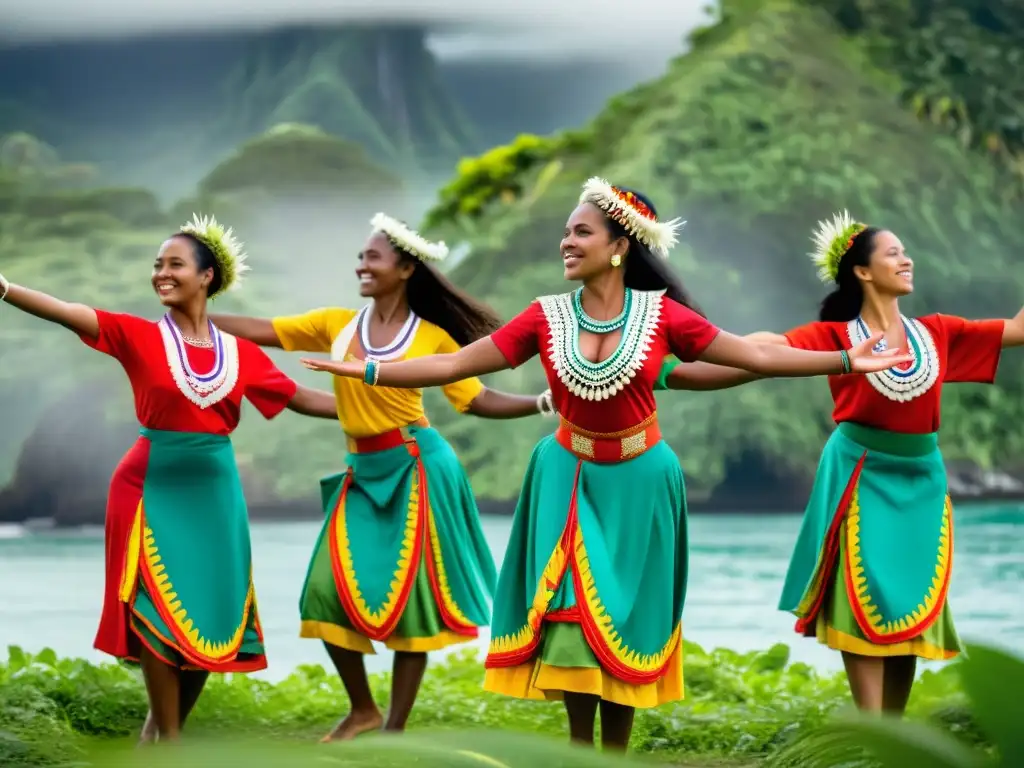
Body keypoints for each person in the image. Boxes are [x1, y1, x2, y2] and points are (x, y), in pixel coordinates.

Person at [296, 181, 909, 749]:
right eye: (566, 231)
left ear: (619, 246)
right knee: (569, 614)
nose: (566, 240)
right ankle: (579, 751)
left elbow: (751, 356)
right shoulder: (545, 315)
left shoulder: (665, 317)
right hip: (566, 471)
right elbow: (459, 365)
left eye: (581, 232)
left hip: (641, 480)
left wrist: (846, 363)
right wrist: (371, 369)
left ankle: (611, 755)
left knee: (624, 619)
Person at [655, 210, 1024, 715]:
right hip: (860, 473)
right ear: (863, 272)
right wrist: (687, 354)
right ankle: (871, 729)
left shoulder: (937, 333)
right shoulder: (834, 337)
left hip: (922, 481)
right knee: (862, 592)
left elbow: (1017, 330)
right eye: (894, 253)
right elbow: (766, 347)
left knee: (906, 601)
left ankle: (891, 729)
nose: (907, 259)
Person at [209, 212, 552, 741]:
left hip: (417, 467)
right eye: (361, 258)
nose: (360, 266)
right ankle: (363, 709)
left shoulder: (435, 338)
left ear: (407, 268)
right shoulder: (335, 324)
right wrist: (194, 314)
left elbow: (477, 399)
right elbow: (263, 331)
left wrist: (536, 402)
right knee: (324, 591)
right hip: (361, 471)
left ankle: (393, 728)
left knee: (411, 599)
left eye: (371, 257)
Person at [0, 214, 339, 743]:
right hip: (148, 485)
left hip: (216, 494)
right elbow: (69, 313)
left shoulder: (241, 353)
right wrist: (3, 287)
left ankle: (156, 732)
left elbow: (300, 398)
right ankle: (172, 745)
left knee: (214, 611)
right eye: (157, 265)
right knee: (153, 606)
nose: (161, 273)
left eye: (174, 264)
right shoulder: (137, 335)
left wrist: (376, 398)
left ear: (206, 277)